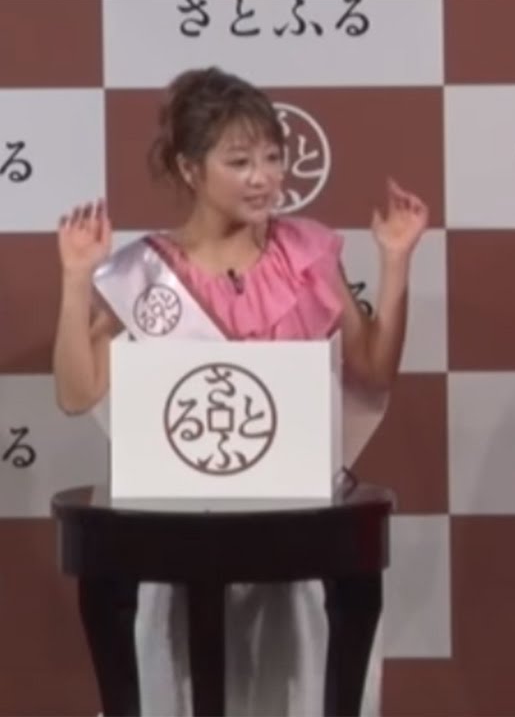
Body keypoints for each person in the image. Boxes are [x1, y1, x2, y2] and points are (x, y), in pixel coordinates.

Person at [51, 66, 428, 715]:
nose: (264, 178)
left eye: (273, 158)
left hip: (297, 538)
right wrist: (75, 281)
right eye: (240, 161)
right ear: (190, 169)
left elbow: (372, 369)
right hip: (180, 540)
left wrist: (395, 264)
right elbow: (76, 393)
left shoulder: (307, 253)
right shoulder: (145, 273)